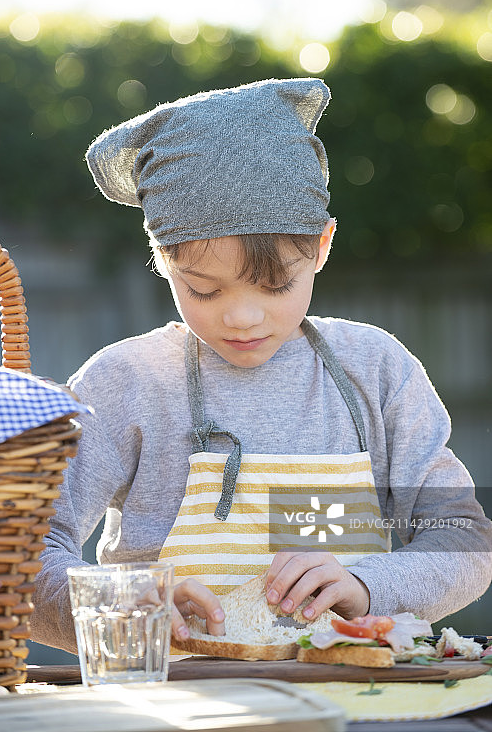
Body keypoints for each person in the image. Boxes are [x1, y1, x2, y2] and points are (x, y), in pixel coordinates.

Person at [30, 78, 492, 653]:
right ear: (163, 262)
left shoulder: (375, 371)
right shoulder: (125, 382)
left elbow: (465, 540)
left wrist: (366, 586)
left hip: (351, 692)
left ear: (321, 246)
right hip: (172, 696)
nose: (242, 318)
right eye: (203, 290)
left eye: (275, 285)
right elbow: (20, 558)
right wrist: (127, 604)